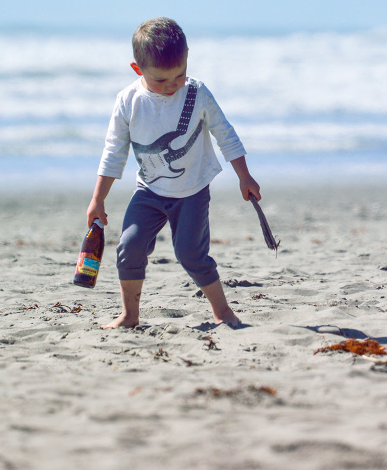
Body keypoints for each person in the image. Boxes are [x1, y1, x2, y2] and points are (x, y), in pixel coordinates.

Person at [86, 17, 260, 329]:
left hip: (192, 191)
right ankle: (130, 315)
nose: (172, 85)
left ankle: (223, 312)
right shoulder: (128, 101)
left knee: (190, 254)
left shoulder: (197, 93)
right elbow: (114, 152)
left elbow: (226, 135)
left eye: (179, 75)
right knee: (129, 247)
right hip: (149, 192)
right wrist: (98, 199)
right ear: (137, 69)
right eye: (161, 80)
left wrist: (244, 176)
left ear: (187, 57)